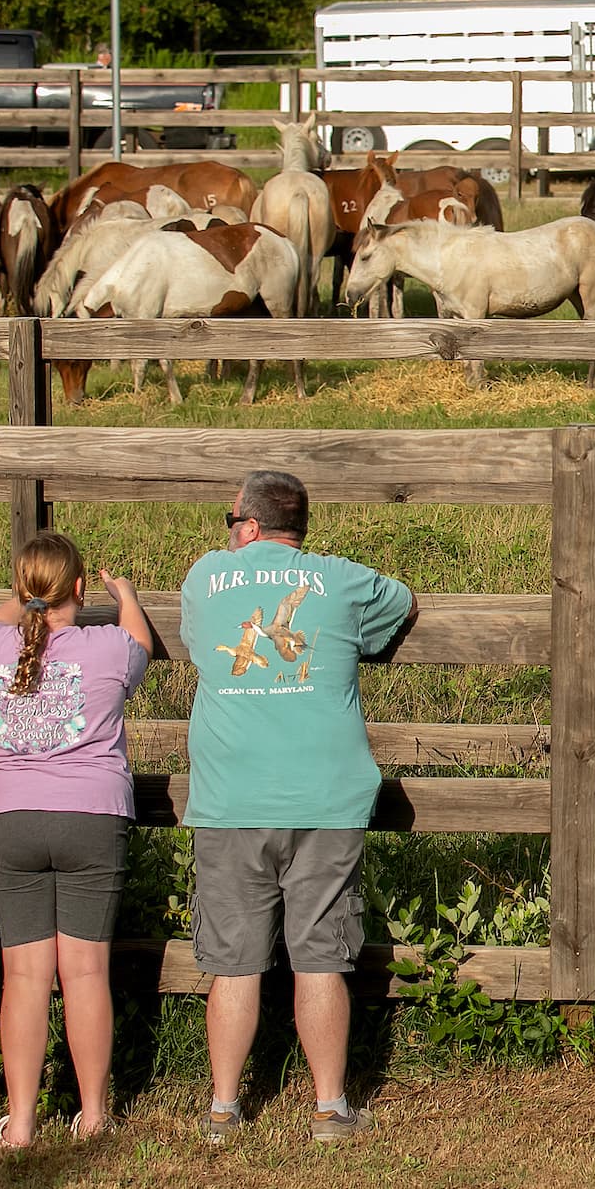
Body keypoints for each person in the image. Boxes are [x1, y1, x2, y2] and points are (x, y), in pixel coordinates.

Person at [182, 470, 416, 1146]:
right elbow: (402, 603)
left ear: (248, 525)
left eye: (230, 521)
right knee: (320, 955)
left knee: (232, 959)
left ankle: (224, 1108)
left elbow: (201, 644)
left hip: (230, 796)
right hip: (324, 796)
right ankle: (329, 1106)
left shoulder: (205, 577)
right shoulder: (341, 578)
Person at [0, 531, 153, 1148]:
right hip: (92, 818)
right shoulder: (107, 646)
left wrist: (25, 598)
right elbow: (140, 640)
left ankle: (20, 1121)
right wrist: (123, 591)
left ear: (23, 590)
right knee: (85, 973)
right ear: (79, 588)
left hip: (12, 817)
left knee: (22, 977)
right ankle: (94, 1113)